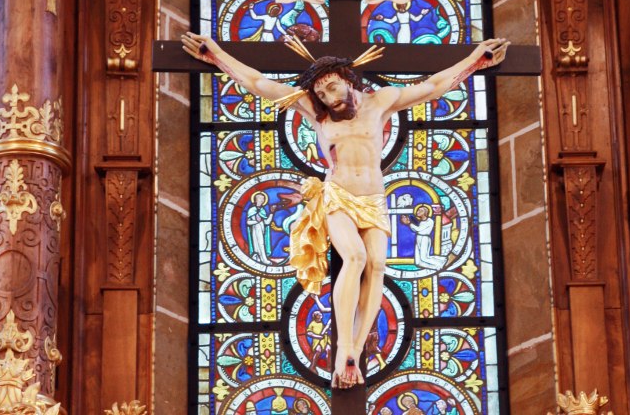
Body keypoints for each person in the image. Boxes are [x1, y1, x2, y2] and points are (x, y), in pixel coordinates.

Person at [181, 31, 508, 389]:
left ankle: (355, 345)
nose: (327, 97)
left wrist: (475, 60)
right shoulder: (315, 112)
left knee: (378, 267)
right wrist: (216, 56)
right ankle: (345, 349)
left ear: (349, 81)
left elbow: (433, 86)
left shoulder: (380, 101)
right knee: (353, 258)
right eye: (321, 93)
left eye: (332, 88)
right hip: (338, 194)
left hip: (374, 198)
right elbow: (259, 83)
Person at [400, 204, 447, 270]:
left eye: (420, 210)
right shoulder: (422, 221)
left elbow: (418, 229)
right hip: (419, 238)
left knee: (424, 258)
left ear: (425, 213)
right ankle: (436, 267)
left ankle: (441, 262)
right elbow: (416, 230)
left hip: (425, 239)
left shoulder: (430, 221)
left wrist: (409, 223)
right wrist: (409, 223)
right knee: (418, 262)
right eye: (418, 210)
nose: (418, 211)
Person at [246, 191, 276, 263]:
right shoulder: (251, 210)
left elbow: (266, 222)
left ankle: (258, 257)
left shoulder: (263, 210)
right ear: (255, 200)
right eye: (260, 199)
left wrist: (272, 212)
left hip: (262, 230)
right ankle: (263, 259)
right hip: (255, 229)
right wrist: (257, 221)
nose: (262, 200)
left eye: (263, 199)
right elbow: (248, 222)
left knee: (262, 243)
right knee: (260, 244)